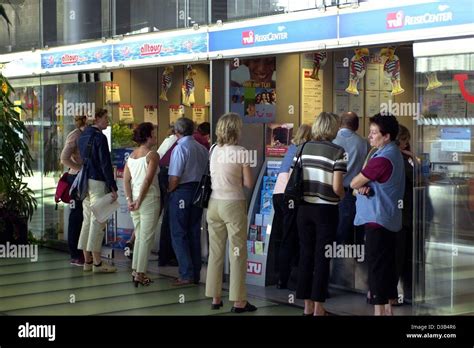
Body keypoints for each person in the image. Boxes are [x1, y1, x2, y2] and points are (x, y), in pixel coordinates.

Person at [351, 113, 405, 316]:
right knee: (386, 264)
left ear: (387, 136)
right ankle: (388, 308)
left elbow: (355, 182)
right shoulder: (393, 153)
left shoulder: (382, 158)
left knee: (376, 266)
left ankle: (379, 310)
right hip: (388, 218)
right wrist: (363, 186)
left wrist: (360, 186)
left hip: (377, 219)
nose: (370, 136)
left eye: (374, 133)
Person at [295, 112, 346, 316]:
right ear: (333, 128)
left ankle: (306, 305)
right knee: (322, 257)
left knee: (306, 255)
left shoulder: (303, 148)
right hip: (326, 210)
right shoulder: (338, 151)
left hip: (304, 209)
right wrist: (343, 197)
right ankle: (319, 307)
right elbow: (337, 187)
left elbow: (295, 178)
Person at [205, 112, 257, 313]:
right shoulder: (241, 151)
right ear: (237, 130)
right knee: (237, 253)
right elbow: (248, 183)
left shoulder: (213, 149)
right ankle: (239, 301)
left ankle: (216, 298)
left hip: (213, 204)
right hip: (233, 204)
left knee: (216, 252)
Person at [168, 117, 208, 285]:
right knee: (194, 232)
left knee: (178, 233)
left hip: (182, 192)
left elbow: (175, 177)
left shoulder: (180, 148)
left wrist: (170, 190)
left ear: (177, 132)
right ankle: (195, 273)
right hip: (199, 191)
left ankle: (185, 274)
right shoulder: (202, 148)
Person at [77, 109, 118, 273]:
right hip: (98, 183)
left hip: (86, 182)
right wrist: (112, 186)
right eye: (106, 118)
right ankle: (98, 263)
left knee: (87, 220)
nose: (108, 122)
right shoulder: (100, 137)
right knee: (98, 221)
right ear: (97, 119)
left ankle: (87, 261)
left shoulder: (83, 136)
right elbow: (105, 164)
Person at [272, 124, 312, 290]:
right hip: (291, 196)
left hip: (277, 194)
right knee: (292, 238)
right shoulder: (305, 149)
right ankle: (287, 279)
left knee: (284, 236)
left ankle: (281, 277)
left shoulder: (291, 148)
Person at [124, 122, 160, 286]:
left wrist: (130, 200)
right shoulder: (152, 155)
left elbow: (126, 180)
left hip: (135, 201)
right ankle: (140, 273)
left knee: (139, 236)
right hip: (149, 199)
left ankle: (135, 270)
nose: (155, 136)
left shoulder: (131, 156)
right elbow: (148, 180)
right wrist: (139, 200)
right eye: (153, 133)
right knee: (146, 238)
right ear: (147, 136)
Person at [332, 112, 370, 245]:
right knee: (353, 232)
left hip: (330, 192)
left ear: (340, 123)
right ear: (357, 125)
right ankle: (353, 261)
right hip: (353, 193)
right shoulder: (364, 143)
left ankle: (335, 262)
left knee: (334, 231)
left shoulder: (331, 140)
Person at [60, 115, 87, 266]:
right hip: (75, 179)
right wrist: (80, 170)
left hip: (82, 178)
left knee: (83, 215)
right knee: (76, 216)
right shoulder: (75, 135)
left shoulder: (88, 134)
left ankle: (82, 252)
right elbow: (64, 158)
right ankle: (75, 254)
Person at [394, 125, 416, 304]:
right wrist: (413, 158)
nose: (407, 143)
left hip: (397, 213)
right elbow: (416, 177)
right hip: (403, 214)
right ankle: (401, 293)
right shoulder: (401, 159)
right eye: (405, 140)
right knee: (401, 255)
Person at [156, 125, 178, 267]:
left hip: (162, 176)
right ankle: (168, 255)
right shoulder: (178, 142)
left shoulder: (167, 140)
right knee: (170, 217)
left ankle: (164, 255)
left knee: (166, 216)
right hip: (169, 177)